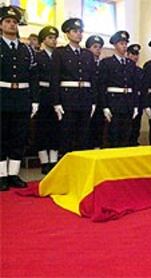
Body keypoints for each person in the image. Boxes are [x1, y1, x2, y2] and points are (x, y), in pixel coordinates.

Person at [0, 5, 39, 191]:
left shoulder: (28, 50)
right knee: (1, 137)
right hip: (2, 96)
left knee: (18, 137)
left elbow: (33, 77)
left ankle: (13, 174)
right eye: (7, 21)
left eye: (14, 22)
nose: (11, 25)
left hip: (22, 98)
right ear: (1, 25)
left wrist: (34, 100)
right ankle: (1, 175)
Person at [51, 18, 97, 155]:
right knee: (67, 133)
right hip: (68, 97)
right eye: (75, 31)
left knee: (83, 133)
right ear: (67, 34)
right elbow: (55, 78)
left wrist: (94, 100)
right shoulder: (60, 53)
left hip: (85, 97)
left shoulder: (87, 54)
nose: (78, 34)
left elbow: (93, 78)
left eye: (80, 31)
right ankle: (66, 165)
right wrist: (56, 102)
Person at [99, 31, 140, 147]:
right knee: (113, 136)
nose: (124, 46)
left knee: (126, 135)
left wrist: (135, 105)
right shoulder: (106, 63)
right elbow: (102, 86)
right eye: (122, 43)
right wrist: (105, 106)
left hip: (127, 103)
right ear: (115, 45)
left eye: (126, 43)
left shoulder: (130, 64)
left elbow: (135, 86)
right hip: (114, 103)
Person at [35, 25, 60, 174]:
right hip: (43, 94)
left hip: (56, 95)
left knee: (55, 129)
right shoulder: (38, 56)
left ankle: (53, 159)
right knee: (42, 129)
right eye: (50, 37)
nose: (54, 40)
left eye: (55, 37)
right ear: (43, 40)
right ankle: (44, 161)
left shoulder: (59, 56)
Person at [85, 35, 105, 148]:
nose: (98, 49)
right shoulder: (84, 64)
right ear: (88, 49)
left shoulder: (103, 64)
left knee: (99, 127)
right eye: (95, 46)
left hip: (100, 100)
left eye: (100, 47)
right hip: (87, 99)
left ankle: (97, 148)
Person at [127, 43, 144, 146]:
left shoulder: (140, 71)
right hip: (127, 101)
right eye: (133, 54)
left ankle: (134, 143)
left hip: (138, 101)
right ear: (128, 54)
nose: (135, 57)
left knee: (136, 126)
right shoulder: (125, 68)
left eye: (137, 54)